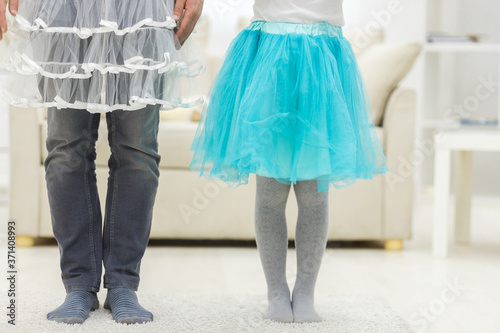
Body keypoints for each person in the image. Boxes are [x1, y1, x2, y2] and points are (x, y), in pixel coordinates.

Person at [1, 0, 204, 325]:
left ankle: (124, 283)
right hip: (64, 11)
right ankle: (79, 283)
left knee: (138, 151)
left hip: (143, 11)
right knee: (66, 150)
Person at [190, 0, 388, 323]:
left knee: (314, 192)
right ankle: (277, 292)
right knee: (270, 189)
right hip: (272, 57)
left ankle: (306, 292)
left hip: (322, 57)